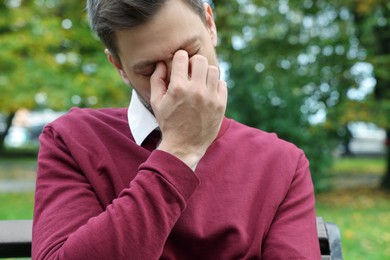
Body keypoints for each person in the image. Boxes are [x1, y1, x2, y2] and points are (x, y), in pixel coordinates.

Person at [32, 0, 321, 259]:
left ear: (210, 24)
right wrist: (179, 151)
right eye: (148, 70)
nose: (178, 80)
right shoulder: (73, 141)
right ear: (119, 66)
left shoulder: (282, 162)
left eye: (189, 52)